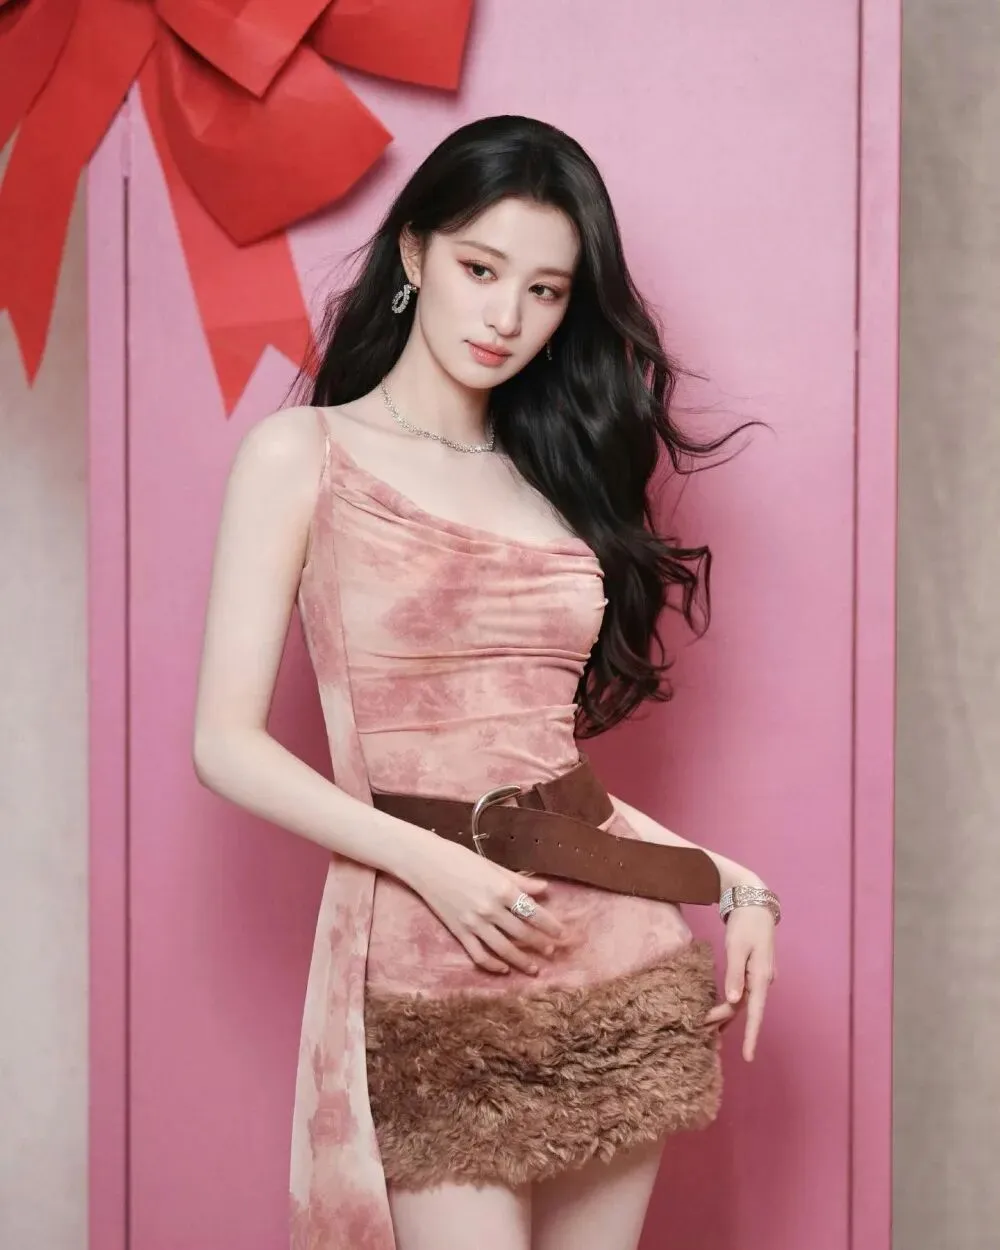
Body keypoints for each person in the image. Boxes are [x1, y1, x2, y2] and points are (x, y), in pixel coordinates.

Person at [192, 114, 779, 1250]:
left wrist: (738, 886)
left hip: (616, 965)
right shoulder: (302, 455)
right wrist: (433, 865)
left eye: (545, 290)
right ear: (415, 252)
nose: (506, 316)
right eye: (480, 269)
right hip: (429, 969)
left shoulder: (556, 486)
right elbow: (224, 743)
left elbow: (546, 777)